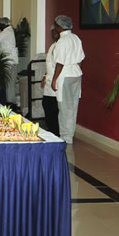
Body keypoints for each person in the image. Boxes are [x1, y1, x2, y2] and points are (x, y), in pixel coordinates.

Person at [50, 15, 85, 145]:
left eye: (55, 25)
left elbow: (60, 63)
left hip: (64, 75)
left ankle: (65, 136)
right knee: (73, 106)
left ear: (60, 27)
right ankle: (69, 135)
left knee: (64, 107)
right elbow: (81, 59)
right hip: (76, 74)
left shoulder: (62, 41)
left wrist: (54, 80)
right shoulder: (76, 38)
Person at [0, 16, 19, 106]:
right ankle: (9, 103)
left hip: (11, 63)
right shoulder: (7, 31)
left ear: (2, 25)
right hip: (9, 62)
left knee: (10, 85)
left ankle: (11, 105)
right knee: (8, 85)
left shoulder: (7, 32)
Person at [41, 25, 61, 137]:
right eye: (52, 32)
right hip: (50, 79)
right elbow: (50, 65)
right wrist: (45, 76)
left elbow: (60, 64)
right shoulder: (53, 45)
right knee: (47, 104)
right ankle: (52, 130)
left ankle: (55, 132)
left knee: (52, 107)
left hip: (56, 81)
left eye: (55, 32)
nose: (53, 34)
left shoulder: (60, 46)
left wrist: (53, 79)